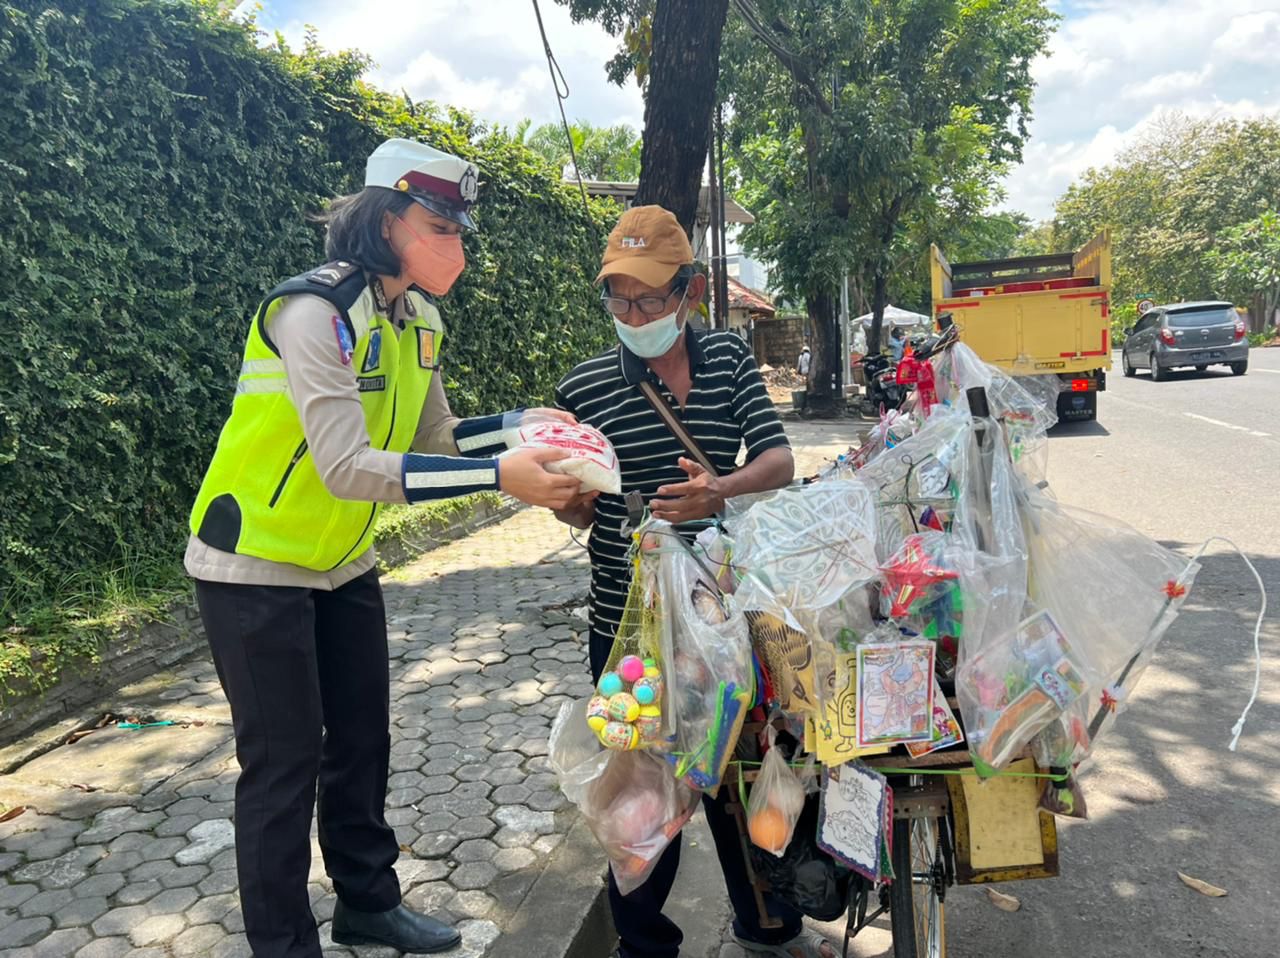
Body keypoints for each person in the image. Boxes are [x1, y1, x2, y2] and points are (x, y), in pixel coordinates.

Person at [186, 138, 582, 958]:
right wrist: (501, 479)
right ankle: (284, 945)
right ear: (387, 220)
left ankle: (366, 903)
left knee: (364, 739)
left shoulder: (417, 320)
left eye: (461, 230)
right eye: (442, 225)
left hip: (340, 562)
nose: (458, 248)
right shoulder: (313, 314)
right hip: (253, 563)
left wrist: (527, 431)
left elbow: (438, 435)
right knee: (285, 762)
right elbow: (345, 466)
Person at [554, 206, 834, 958]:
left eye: (648, 297)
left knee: (741, 779)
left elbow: (777, 462)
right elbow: (574, 509)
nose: (633, 314)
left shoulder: (729, 362)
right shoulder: (582, 388)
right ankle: (643, 946)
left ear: (690, 289)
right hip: (627, 628)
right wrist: (572, 504)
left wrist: (719, 490)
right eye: (618, 298)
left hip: (721, 615)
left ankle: (768, 927)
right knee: (640, 792)